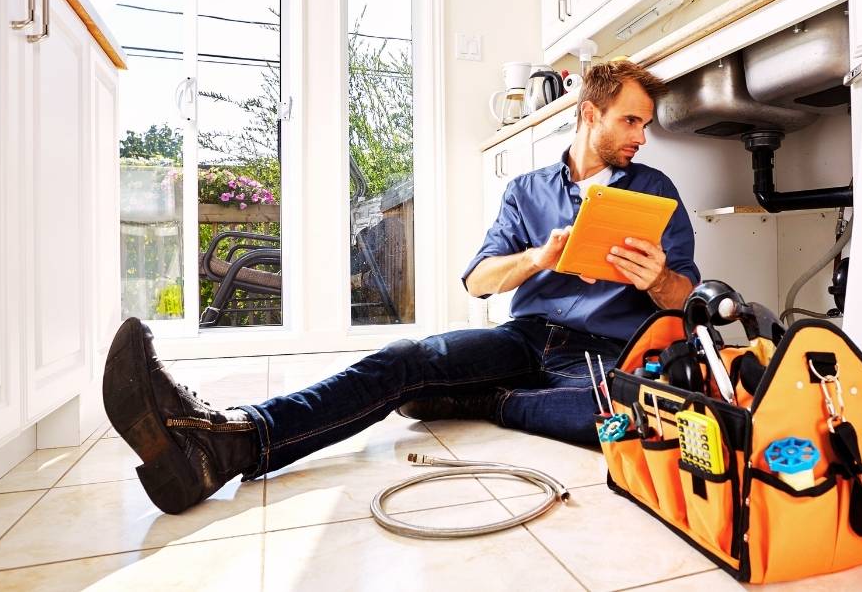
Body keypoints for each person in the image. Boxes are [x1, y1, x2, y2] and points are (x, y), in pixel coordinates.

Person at [102, 60, 701, 514]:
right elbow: (478, 281)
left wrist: (660, 281)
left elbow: (684, 297)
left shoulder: (654, 190)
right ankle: (226, 444)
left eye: (645, 124)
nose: (640, 136)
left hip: (604, 353)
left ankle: (480, 400)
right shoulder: (525, 191)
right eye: (630, 120)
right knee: (402, 361)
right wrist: (537, 258)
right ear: (589, 114)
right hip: (525, 338)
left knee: (630, 409)